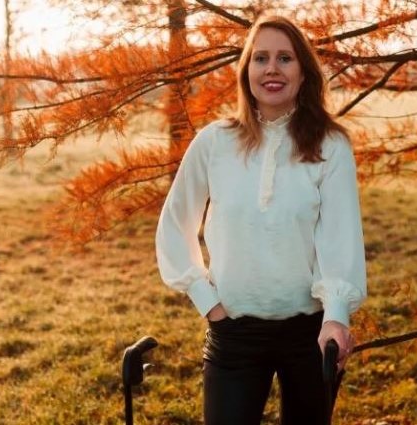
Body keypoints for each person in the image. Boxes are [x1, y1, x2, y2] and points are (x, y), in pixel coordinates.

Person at [155, 14, 366, 425]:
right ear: (246, 70)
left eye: (285, 58)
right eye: (261, 58)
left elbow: (340, 237)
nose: (272, 69)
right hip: (233, 329)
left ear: (304, 72)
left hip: (310, 333)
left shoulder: (330, 145)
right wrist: (209, 303)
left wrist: (337, 315)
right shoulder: (214, 142)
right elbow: (175, 225)